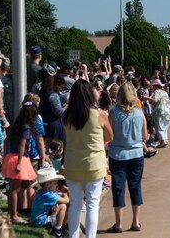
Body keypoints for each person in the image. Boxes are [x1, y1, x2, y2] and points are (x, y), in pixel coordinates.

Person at [63, 79, 113, 238]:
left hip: (72, 164)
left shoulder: (67, 116)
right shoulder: (99, 114)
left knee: (75, 204)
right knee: (92, 204)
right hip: (94, 164)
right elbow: (110, 136)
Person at [105, 82, 148, 233]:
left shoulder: (114, 113)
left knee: (118, 188)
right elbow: (145, 135)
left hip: (118, 154)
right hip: (136, 153)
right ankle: (136, 221)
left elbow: (109, 135)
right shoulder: (139, 113)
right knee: (135, 186)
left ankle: (119, 223)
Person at [3, 102, 39, 224]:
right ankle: (14, 215)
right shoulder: (26, 127)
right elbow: (22, 145)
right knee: (15, 189)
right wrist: (19, 163)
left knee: (11, 188)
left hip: (10, 156)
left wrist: (5, 155)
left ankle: (9, 213)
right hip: (19, 158)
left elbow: (6, 141)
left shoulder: (16, 125)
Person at [31, 167, 70, 238]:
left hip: (37, 221)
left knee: (59, 205)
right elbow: (66, 201)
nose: (57, 185)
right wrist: (65, 192)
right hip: (40, 223)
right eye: (55, 183)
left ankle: (62, 226)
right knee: (63, 206)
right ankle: (57, 230)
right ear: (47, 184)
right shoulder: (47, 195)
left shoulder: (42, 192)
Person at [39, 75, 67, 141]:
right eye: (61, 86)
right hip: (53, 126)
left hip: (44, 124)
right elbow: (58, 112)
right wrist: (66, 108)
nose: (61, 89)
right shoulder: (53, 95)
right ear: (56, 84)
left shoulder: (42, 93)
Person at [147, 79, 170, 148]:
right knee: (164, 128)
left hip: (160, 112)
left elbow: (156, 101)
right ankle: (165, 140)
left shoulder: (157, 91)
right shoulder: (165, 92)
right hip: (168, 112)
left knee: (159, 127)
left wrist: (147, 98)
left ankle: (162, 141)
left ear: (156, 86)